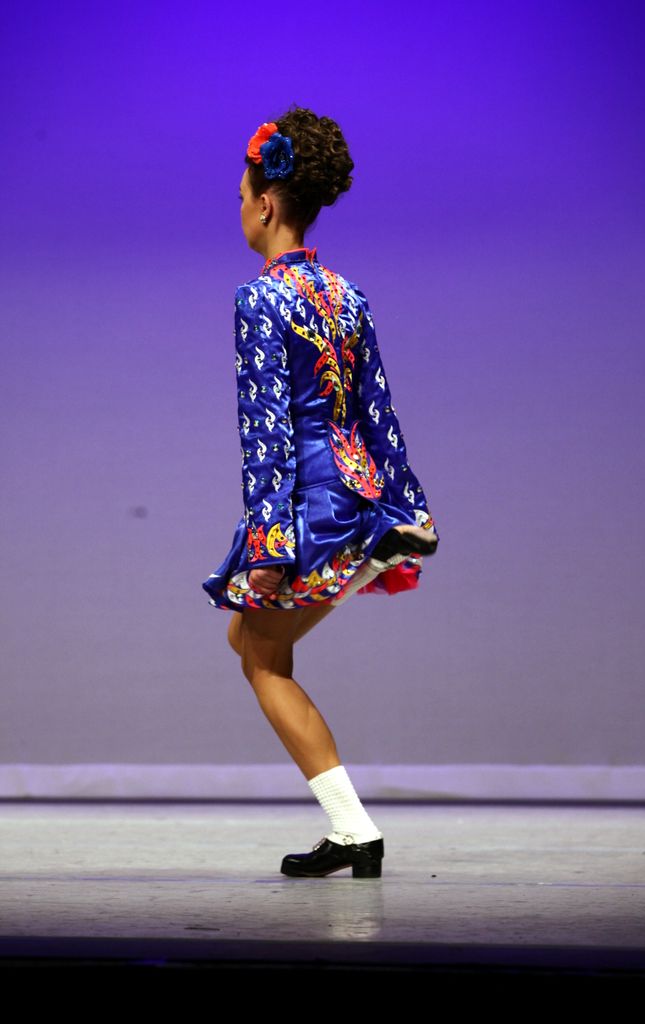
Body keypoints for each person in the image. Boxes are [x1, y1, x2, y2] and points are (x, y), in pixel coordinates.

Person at [202, 107, 439, 878]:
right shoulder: (347, 295)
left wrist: (269, 547)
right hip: (358, 491)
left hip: (308, 499)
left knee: (261, 660)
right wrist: (409, 503)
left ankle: (353, 831)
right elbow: (378, 412)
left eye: (243, 195)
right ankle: (379, 544)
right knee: (247, 643)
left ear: (267, 203)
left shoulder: (259, 299)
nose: (241, 208)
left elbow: (266, 433)